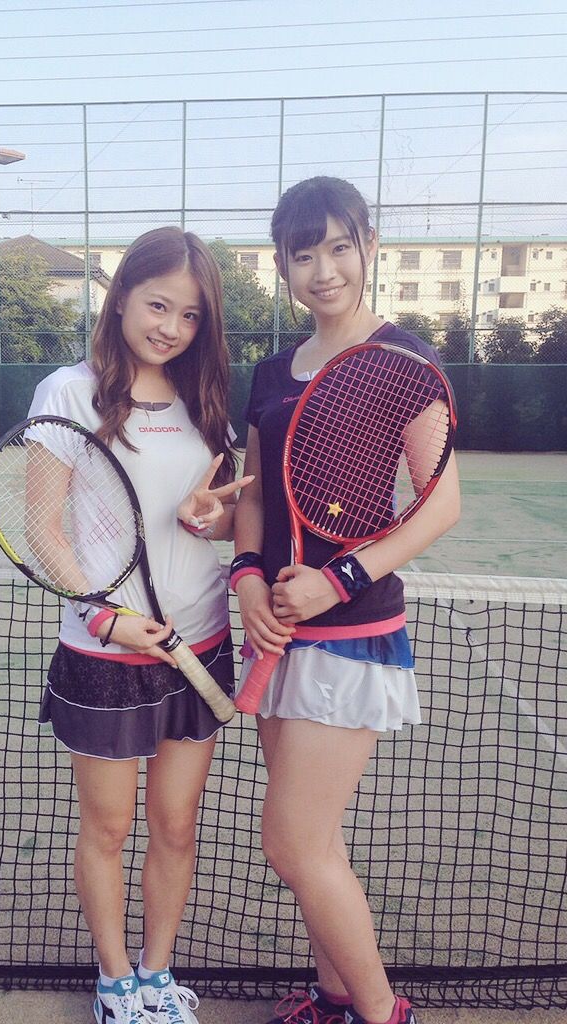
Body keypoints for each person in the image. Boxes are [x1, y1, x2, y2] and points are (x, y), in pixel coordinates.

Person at [232, 177, 461, 1024]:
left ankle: (383, 1014)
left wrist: (340, 578)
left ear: (369, 246)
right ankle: (334, 1001)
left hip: (352, 632)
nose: (323, 269)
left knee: (291, 842)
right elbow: (253, 493)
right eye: (304, 254)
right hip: (276, 629)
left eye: (338, 247)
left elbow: (440, 504)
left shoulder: (405, 362)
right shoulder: (269, 374)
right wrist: (247, 578)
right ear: (282, 265)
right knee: (314, 843)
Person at [28, 226, 251, 1024]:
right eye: (158, 305)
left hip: (201, 643)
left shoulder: (207, 399)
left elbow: (229, 521)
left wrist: (209, 518)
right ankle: (116, 982)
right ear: (121, 296)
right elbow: (43, 529)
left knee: (176, 825)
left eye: (190, 316)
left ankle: (158, 974)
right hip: (105, 654)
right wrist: (102, 615)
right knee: (109, 826)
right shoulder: (68, 392)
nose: (171, 328)